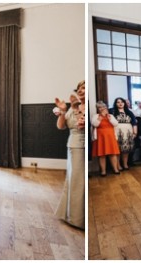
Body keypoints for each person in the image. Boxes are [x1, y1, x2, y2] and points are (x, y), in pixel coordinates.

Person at [54, 80, 85, 229]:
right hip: (75, 145)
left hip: (88, 143)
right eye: (79, 88)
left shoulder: (88, 107)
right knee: (76, 179)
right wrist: (63, 111)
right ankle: (75, 217)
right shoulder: (71, 109)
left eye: (84, 88)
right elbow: (60, 126)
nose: (81, 90)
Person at [92, 101, 121, 175]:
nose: (102, 109)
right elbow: (95, 124)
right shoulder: (95, 116)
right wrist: (100, 118)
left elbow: (116, 124)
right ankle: (103, 171)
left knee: (113, 153)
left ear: (106, 108)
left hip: (110, 136)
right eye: (99, 107)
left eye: (103, 107)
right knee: (102, 154)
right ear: (97, 109)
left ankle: (115, 169)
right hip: (100, 137)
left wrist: (110, 118)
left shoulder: (111, 115)